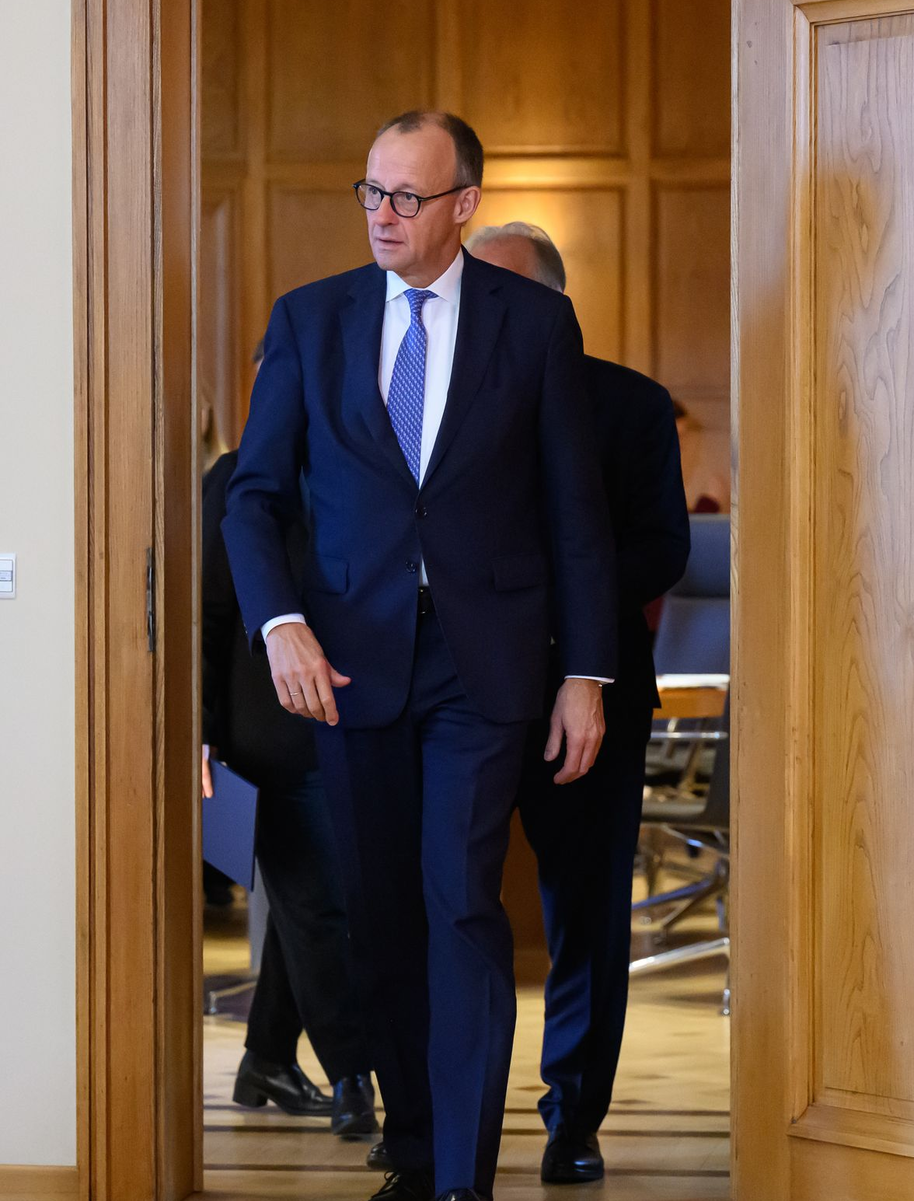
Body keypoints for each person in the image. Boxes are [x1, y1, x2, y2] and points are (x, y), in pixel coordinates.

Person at [221, 112, 617, 1201]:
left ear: (462, 206)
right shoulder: (311, 322)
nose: (382, 215)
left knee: (461, 901)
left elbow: (573, 513)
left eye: (407, 196)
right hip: (345, 670)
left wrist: (585, 673)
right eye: (371, 192)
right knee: (380, 913)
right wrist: (279, 622)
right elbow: (252, 501)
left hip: (483, 670)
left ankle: (462, 1177)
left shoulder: (533, 327)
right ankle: (414, 1138)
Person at [467, 222, 689, 1183]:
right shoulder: (442, 402)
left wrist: (562, 622)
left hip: (592, 686)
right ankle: (450, 1122)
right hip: (465, 692)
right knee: (451, 903)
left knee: (587, 908)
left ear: (553, 304)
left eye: (498, 290)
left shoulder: (632, 407)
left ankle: (574, 1116)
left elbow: (662, 547)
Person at [202, 436, 377, 1140]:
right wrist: (203, 730)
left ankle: (267, 1056)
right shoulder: (237, 475)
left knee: (315, 905)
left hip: (364, 726)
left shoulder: (368, 458)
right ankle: (353, 1076)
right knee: (319, 906)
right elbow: (210, 615)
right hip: (268, 735)